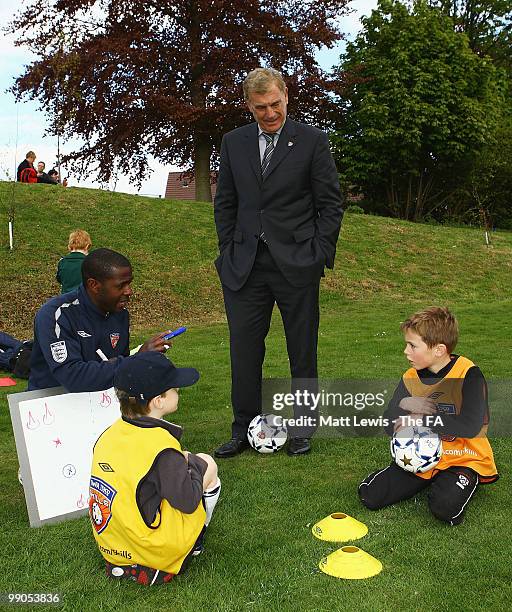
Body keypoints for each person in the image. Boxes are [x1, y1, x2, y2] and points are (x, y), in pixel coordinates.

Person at [213, 67, 344, 457]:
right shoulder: (233, 143)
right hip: (244, 264)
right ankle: (243, 428)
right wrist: (228, 249)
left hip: (297, 263)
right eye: (260, 108)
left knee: (302, 348)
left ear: (286, 95)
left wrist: (318, 252)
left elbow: (330, 205)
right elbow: (227, 203)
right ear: (248, 106)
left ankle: (303, 428)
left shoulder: (312, 141)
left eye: (274, 104)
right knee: (244, 349)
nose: (269, 114)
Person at [89, 352, 221, 585]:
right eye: (174, 388)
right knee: (206, 462)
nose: (178, 391)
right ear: (158, 401)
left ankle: (129, 558)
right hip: (152, 552)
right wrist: (193, 465)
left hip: (112, 546)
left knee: (179, 464)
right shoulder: (160, 446)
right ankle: (195, 542)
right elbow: (188, 500)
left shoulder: (108, 434)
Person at [358, 307, 498, 525]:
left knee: (445, 509)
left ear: (439, 350)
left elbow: (470, 426)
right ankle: (424, 474)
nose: (406, 351)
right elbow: (388, 423)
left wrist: (422, 420)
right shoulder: (410, 377)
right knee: (370, 495)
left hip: (464, 456)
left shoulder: (468, 374)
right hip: (421, 453)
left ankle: (459, 479)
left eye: (413, 345)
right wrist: (404, 403)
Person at [28, 248, 172, 392]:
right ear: (94, 285)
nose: (129, 291)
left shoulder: (119, 313)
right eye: (121, 285)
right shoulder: (56, 315)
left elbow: (119, 368)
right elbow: (73, 377)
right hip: (52, 407)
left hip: (101, 404)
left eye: (129, 283)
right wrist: (136, 360)